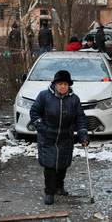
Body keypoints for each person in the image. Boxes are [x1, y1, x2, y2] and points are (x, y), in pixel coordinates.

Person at [30, 70, 89, 205]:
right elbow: (34, 112)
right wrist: (41, 126)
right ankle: (49, 192)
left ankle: (59, 187)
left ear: (69, 85)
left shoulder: (74, 99)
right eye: (60, 84)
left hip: (66, 136)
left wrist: (83, 133)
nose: (63, 86)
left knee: (63, 164)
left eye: (65, 84)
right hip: (47, 136)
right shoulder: (44, 96)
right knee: (50, 165)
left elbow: (80, 118)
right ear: (55, 84)